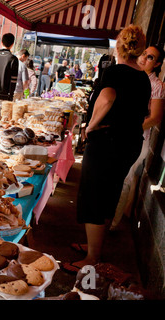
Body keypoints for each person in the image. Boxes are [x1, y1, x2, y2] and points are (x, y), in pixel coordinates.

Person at [63, 25, 151, 274]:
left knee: (94, 196)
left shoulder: (116, 72)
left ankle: (92, 259)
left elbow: (108, 98)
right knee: (109, 195)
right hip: (129, 142)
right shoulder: (142, 76)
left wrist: (91, 125)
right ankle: (94, 248)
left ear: (120, 45)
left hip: (108, 141)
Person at [111, 45, 165, 230]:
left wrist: (129, 128)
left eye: (150, 57)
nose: (144, 58)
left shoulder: (156, 85)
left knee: (123, 180)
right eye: (143, 53)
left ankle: (111, 224)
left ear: (157, 63)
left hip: (138, 139)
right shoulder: (130, 75)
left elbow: (156, 118)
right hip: (117, 136)